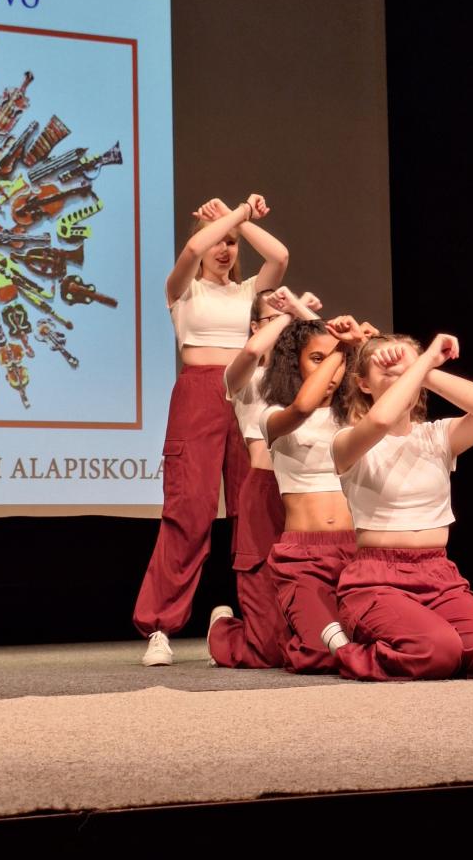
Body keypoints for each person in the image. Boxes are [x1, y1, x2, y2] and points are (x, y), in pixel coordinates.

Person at [134, 194, 288, 666]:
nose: (224, 249)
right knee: (189, 512)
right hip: (198, 395)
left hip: (246, 394)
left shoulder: (249, 293)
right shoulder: (185, 291)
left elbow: (280, 256)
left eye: (232, 243)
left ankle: (261, 623)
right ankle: (159, 627)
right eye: (218, 241)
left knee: (255, 509)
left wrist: (240, 218)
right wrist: (233, 216)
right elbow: (189, 252)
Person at [324, 332, 473, 681]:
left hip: (437, 574)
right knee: (436, 651)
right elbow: (380, 420)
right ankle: (345, 648)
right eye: (387, 372)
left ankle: (430, 643)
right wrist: (419, 362)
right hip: (376, 580)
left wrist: (425, 369)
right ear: (363, 383)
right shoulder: (347, 440)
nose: (401, 378)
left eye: (406, 372)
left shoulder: (437, 436)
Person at [207, 286, 322, 668]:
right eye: (272, 318)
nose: (284, 325)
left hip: (309, 493)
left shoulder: (312, 378)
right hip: (264, 490)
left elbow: (339, 352)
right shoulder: (247, 379)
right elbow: (253, 351)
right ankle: (224, 628)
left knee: (319, 639)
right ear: (256, 326)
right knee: (267, 652)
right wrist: (290, 315)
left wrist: (300, 310)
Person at [257, 315, 374, 672]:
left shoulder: (355, 415)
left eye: (337, 361)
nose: (332, 372)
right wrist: (342, 350)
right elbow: (303, 407)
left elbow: (392, 397)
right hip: (304, 557)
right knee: (320, 653)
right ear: (295, 363)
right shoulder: (273, 415)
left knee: (374, 637)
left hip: (358, 552)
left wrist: (364, 346)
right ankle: (224, 632)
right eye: (317, 358)